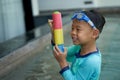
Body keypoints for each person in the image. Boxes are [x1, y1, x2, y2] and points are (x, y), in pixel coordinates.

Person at [48, 10, 105, 80]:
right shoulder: (78, 48)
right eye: (72, 28)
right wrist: (54, 34)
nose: (73, 32)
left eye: (78, 29)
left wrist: (62, 62)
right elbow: (59, 53)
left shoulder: (92, 61)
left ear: (94, 33)